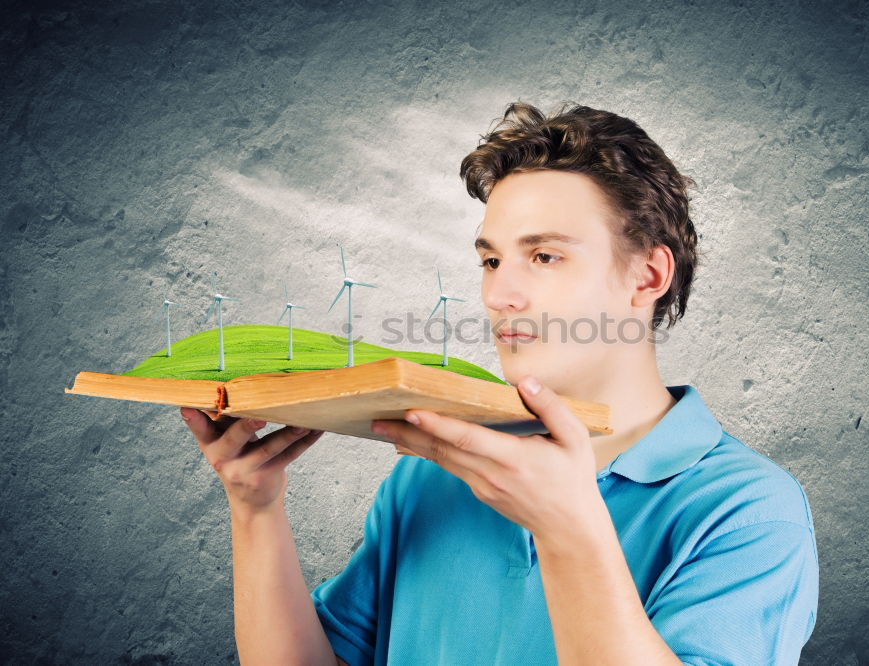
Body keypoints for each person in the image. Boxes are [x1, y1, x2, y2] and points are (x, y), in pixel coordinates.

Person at [183, 101, 819, 665]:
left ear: (648, 277)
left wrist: (569, 529)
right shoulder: (436, 471)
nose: (499, 294)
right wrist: (254, 507)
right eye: (491, 260)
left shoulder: (747, 511)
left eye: (544, 256)